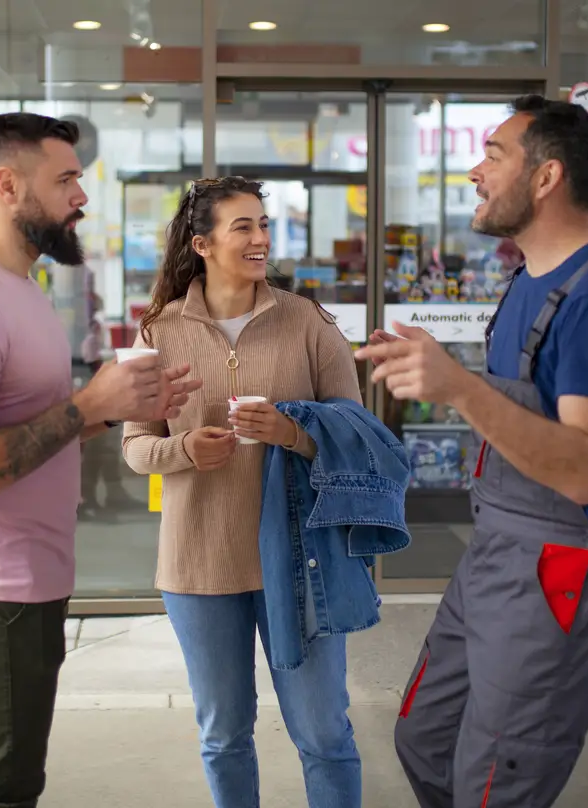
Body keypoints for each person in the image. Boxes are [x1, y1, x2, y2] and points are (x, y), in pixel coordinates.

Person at [357, 95, 588, 808]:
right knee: (426, 737)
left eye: (493, 155)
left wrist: (457, 386)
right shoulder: (528, 281)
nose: (474, 170)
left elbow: (585, 470)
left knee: (497, 781)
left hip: (559, 561)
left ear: (546, 177)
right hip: (496, 547)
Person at [0, 112, 201, 808]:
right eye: (65, 179)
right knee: (6, 783)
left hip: (23, 579)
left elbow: (33, 427)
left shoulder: (19, 286)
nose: (81, 196)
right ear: (8, 186)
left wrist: (113, 407)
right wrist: (87, 402)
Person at [121, 176, 368, 807]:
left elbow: (358, 437)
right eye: (244, 227)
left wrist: (292, 432)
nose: (261, 238)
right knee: (224, 735)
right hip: (198, 563)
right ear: (202, 244)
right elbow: (135, 447)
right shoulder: (157, 332)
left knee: (324, 734)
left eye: (263, 224)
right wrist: (184, 450)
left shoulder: (308, 321)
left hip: (302, 562)